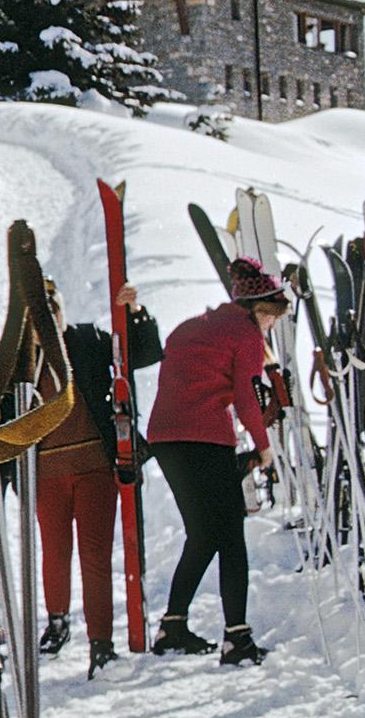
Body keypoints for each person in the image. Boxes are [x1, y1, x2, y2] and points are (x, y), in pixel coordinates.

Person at [145, 255, 285, 666]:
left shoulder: (190, 327)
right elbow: (246, 397)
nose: (271, 325)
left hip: (165, 439)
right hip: (206, 437)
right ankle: (236, 637)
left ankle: (172, 627)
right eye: (271, 317)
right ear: (257, 310)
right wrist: (264, 447)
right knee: (231, 538)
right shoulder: (246, 335)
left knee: (203, 534)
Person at [38, 283, 160, 676]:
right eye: (40, 311)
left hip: (93, 467)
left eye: (54, 307)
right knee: (54, 552)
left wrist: (134, 313)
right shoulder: (22, 357)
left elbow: (142, 352)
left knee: (95, 557)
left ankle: (101, 644)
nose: (49, 317)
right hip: (46, 474)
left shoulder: (88, 340)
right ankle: (58, 621)